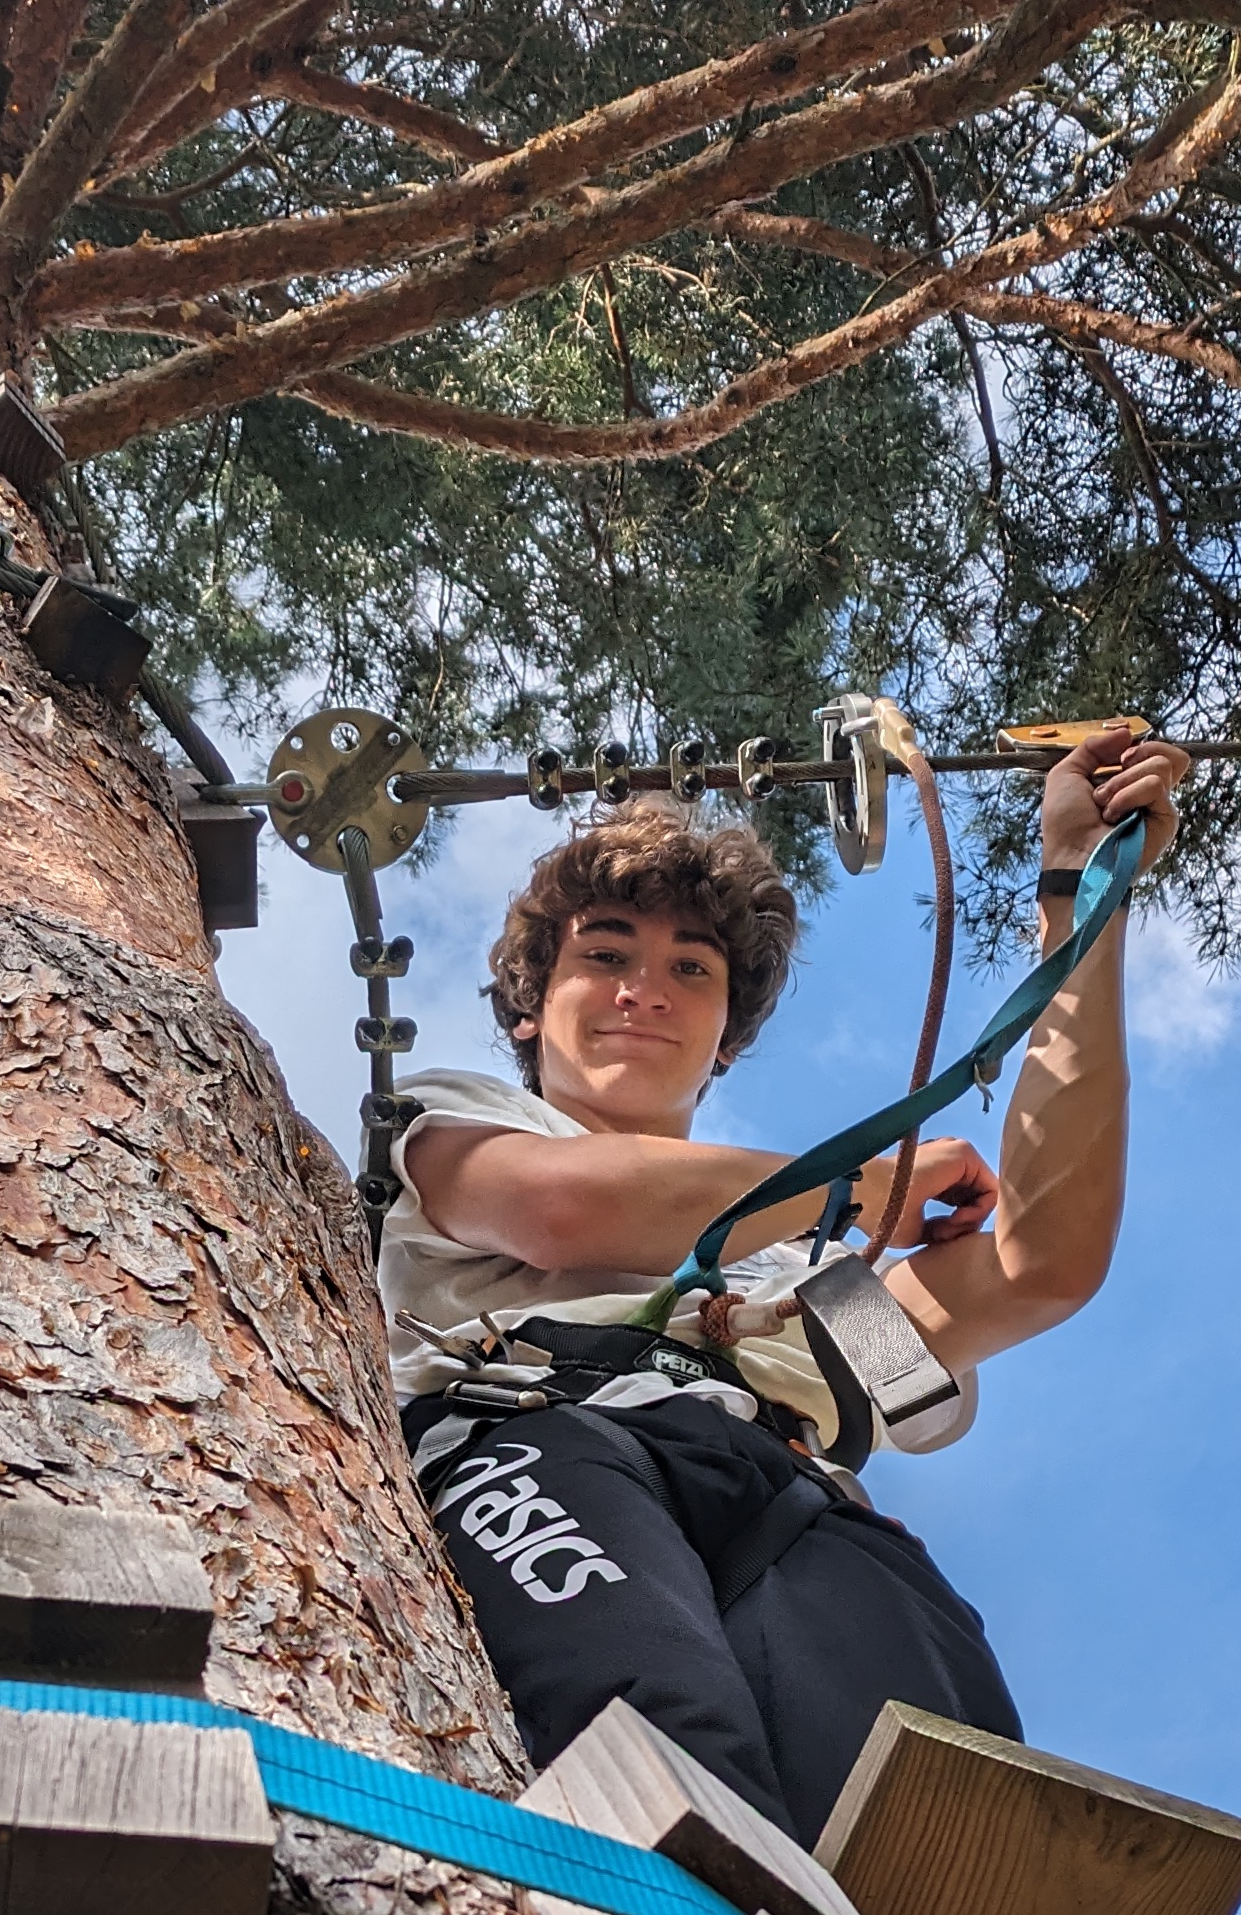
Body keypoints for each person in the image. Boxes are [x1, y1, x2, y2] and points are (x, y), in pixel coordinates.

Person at [381, 731, 1190, 1838]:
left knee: (932, 1833)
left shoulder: (797, 1273)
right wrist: (857, 1190)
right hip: (537, 1439)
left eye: (690, 970)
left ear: (723, 1038)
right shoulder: (454, 1123)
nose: (643, 991)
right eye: (604, 956)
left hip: (788, 1489)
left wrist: (1079, 902)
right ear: (530, 1008)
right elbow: (559, 1207)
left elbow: (1034, 1266)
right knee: (667, 1771)